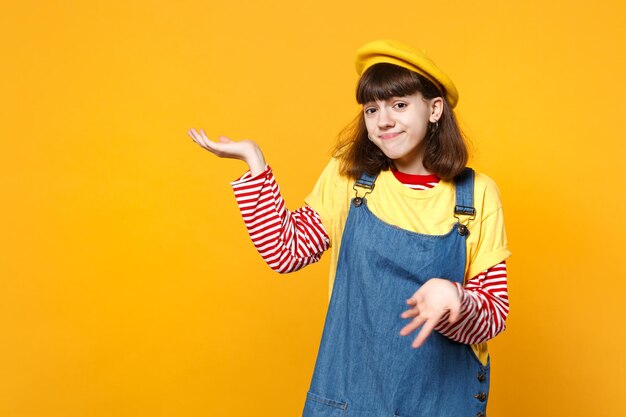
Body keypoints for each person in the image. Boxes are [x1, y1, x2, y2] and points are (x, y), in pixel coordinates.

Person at [187, 39, 511, 417]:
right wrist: (254, 163)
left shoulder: (476, 195)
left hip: (439, 404)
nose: (384, 120)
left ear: (435, 108)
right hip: (350, 400)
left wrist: (455, 299)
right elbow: (285, 251)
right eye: (372, 109)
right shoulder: (350, 177)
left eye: (400, 105)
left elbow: (493, 314)